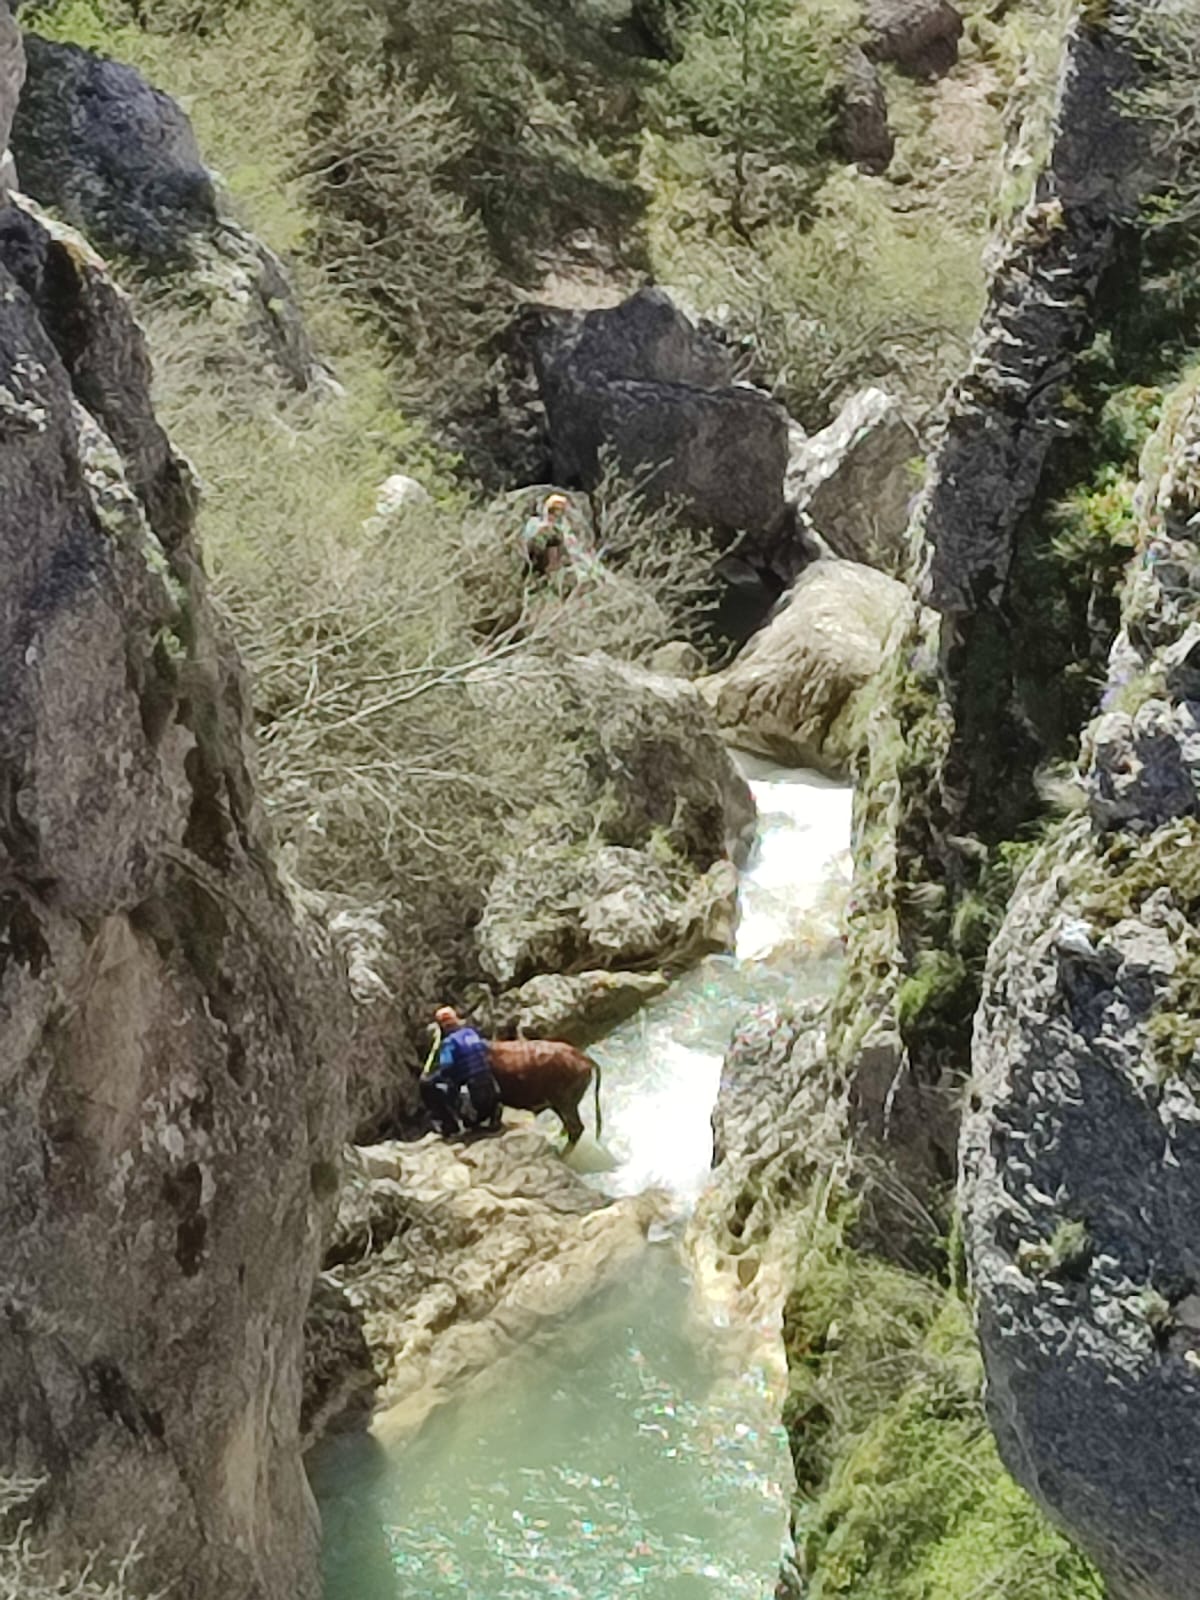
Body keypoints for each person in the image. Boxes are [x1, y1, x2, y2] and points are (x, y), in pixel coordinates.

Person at [420, 1006, 503, 1136]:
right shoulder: (471, 1033)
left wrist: (432, 1076)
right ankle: (492, 1115)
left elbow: (446, 1066)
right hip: (490, 1094)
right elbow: (485, 1050)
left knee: (428, 1084)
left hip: (472, 1101)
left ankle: (450, 1125)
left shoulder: (449, 1043)